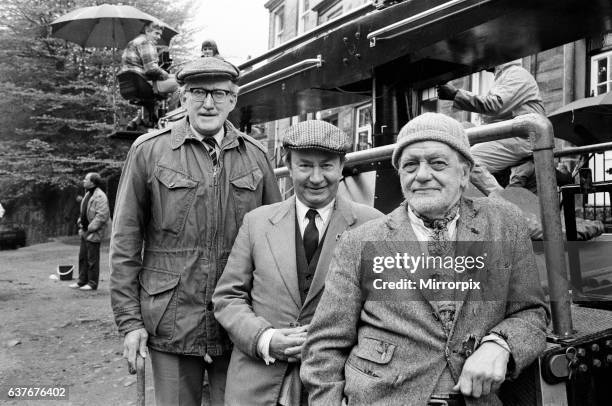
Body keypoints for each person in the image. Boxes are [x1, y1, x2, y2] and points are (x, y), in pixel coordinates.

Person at [300, 113, 549, 406]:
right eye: (410, 165)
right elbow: (325, 348)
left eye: (438, 163)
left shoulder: (505, 224)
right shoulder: (359, 243)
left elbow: (532, 312)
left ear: (465, 173)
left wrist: (501, 343)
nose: (421, 175)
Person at [110, 56, 281, 406]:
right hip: (170, 321)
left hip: (238, 323)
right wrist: (130, 323)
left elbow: (275, 243)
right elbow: (125, 243)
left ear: (234, 99)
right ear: (183, 97)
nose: (208, 103)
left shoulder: (258, 157)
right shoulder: (148, 152)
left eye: (219, 93)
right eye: (198, 92)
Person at [213, 120, 383, 405]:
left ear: (342, 167)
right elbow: (227, 297)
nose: (316, 178)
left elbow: (385, 313)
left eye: (327, 166)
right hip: (257, 386)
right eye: (304, 165)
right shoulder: (257, 223)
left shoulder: (375, 225)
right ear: (288, 166)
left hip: (338, 387)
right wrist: (264, 339)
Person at [437, 60, 545, 196]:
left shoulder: (515, 74)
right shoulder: (504, 76)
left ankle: (503, 203)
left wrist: (455, 94)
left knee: (468, 159)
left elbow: (495, 105)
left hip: (522, 138)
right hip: (514, 137)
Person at [121, 21, 179, 129]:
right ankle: (172, 118)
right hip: (143, 84)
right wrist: (165, 73)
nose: (158, 37)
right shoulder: (146, 42)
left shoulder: (133, 42)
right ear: (147, 31)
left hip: (134, 83)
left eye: (160, 34)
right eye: (156, 33)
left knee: (174, 78)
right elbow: (151, 69)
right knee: (180, 84)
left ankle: (140, 120)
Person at [69, 172, 109, 291]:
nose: (83, 181)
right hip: (85, 231)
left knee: (92, 259)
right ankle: (82, 281)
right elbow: (84, 211)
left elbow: (102, 216)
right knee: (83, 257)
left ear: (92, 182)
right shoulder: (87, 194)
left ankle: (92, 283)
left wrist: (89, 229)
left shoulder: (100, 196)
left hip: (94, 232)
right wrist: (80, 223)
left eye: (86, 179)